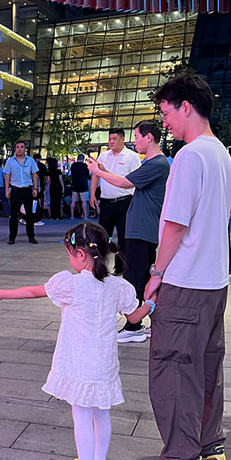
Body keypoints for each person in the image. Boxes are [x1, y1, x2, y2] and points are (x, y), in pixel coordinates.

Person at [0, 222, 153, 460]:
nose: (69, 259)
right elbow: (134, 316)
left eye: (69, 254)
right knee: (101, 412)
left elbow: (35, 291)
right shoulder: (118, 286)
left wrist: (3, 294)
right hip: (105, 364)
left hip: (80, 364)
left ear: (81, 255)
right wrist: (151, 304)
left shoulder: (72, 284)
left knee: (82, 417)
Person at [139, 72, 231, 460]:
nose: (165, 123)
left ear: (185, 106)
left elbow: (176, 225)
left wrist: (156, 273)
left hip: (186, 281)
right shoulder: (222, 154)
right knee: (207, 367)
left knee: (174, 367)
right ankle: (209, 446)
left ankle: (181, 459)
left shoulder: (190, 156)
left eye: (166, 113)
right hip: (214, 282)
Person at [88, 120, 169, 344]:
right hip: (141, 228)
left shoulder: (157, 163)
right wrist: (103, 170)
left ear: (149, 137)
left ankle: (134, 325)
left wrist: (98, 172)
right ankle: (152, 321)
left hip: (142, 229)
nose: (135, 141)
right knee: (143, 276)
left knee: (134, 277)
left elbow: (125, 183)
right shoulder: (152, 163)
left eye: (138, 136)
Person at [89, 128, 141, 254]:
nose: (111, 142)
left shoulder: (132, 156)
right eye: (110, 139)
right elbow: (96, 175)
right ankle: (101, 263)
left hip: (124, 202)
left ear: (122, 139)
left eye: (114, 139)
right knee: (102, 237)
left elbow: (136, 180)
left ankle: (122, 263)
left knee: (124, 236)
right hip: (106, 202)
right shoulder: (103, 156)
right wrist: (92, 195)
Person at [3, 141, 40, 244]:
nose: (19, 149)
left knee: (30, 214)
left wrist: (35, 188)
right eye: (17, 147)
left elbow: (34, 174)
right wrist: (7, 190)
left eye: (22, 147)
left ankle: (31, 236)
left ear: (25, 149)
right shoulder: (10, 161)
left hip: (27, 189)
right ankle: (12, 237)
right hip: (15, 189)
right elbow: (7, 176)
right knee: (14, 215)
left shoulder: (30, 160)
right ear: (15, 149)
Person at [70, 154, 89, 219]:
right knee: (84, 201)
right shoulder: (84, 166)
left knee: (73, 201)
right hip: (83, 184)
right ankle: (85, 216)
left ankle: (72, 216)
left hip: (75, 184)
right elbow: (87, 175)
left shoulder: (73, 165)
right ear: (83, 159)